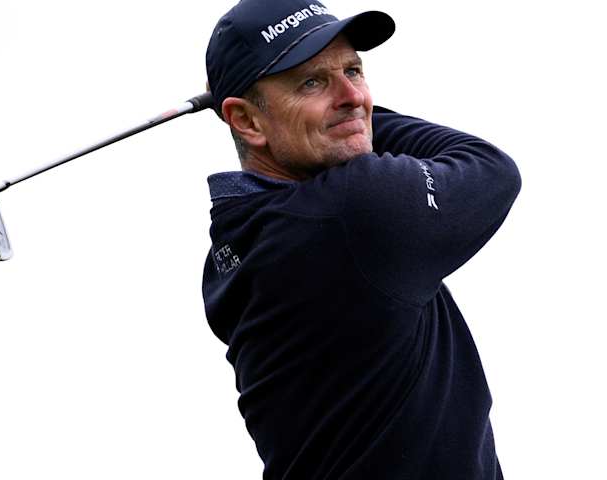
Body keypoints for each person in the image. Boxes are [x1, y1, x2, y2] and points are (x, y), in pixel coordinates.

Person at [201, 1, 521, 478]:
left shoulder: (230, 248)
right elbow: (489, 167)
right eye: (311, 81)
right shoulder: (354, 211)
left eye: (354, 70)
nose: (353, 95)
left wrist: (319, 116)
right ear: (245, 122)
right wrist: (355, 122)